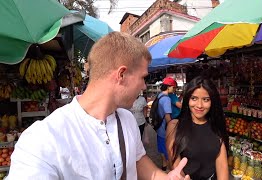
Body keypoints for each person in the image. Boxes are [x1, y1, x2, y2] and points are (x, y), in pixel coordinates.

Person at [7, 32, 190, 180]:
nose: (144, 86)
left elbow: (137, 161)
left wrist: (164, 177)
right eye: (143, 77)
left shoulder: (127, 120)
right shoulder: (43, 139)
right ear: (122, 74)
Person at [166, 75, 229, 180]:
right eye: (194, 98)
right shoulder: (174, 126)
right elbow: (175, 165)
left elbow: (222, 166)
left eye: (206, 99)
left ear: (212, 101)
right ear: (187, 99)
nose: (199, 105)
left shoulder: (217, 127)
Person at [156, 77, 176, 171]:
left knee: (162, 149)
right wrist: (172, 127)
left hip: (159, 127)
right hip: (165, 128)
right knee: (168, 149)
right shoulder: (167, 99)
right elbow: (168, 117)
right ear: (168, 87)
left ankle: (164, 166)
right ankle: (168, 169)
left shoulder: (159, 96)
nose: (174, 89)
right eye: (173, 87)